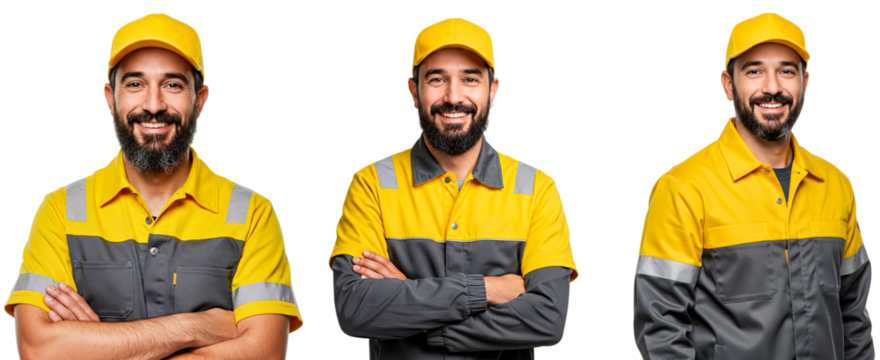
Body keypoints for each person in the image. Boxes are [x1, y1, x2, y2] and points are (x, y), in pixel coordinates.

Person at [5, 13, 303, 360]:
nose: (153, 105)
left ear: (201, 99)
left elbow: (263, 354)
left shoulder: (254, 213)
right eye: (135, 84)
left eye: (173, 84)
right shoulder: (58, 210)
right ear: (109, 98)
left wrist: (96, 344)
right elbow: (38, 349)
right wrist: (201, 326)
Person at [327, 17, 580, 359]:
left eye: (470, 79)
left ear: (494, 91)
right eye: (436, 79)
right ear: (413, 91)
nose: (454, 96)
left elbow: (548, 320)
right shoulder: (370, 183)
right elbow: (355, 311)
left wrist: (410, 302)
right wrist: (488, 289)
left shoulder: (538, 188)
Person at [631, 12, 874, 360]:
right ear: (727, 84)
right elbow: (660, 329)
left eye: (787, 70)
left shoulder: (837, 184)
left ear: (806, 83)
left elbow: (853, 317)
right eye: (754, 70)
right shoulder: (683, 187)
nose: (772, 87)